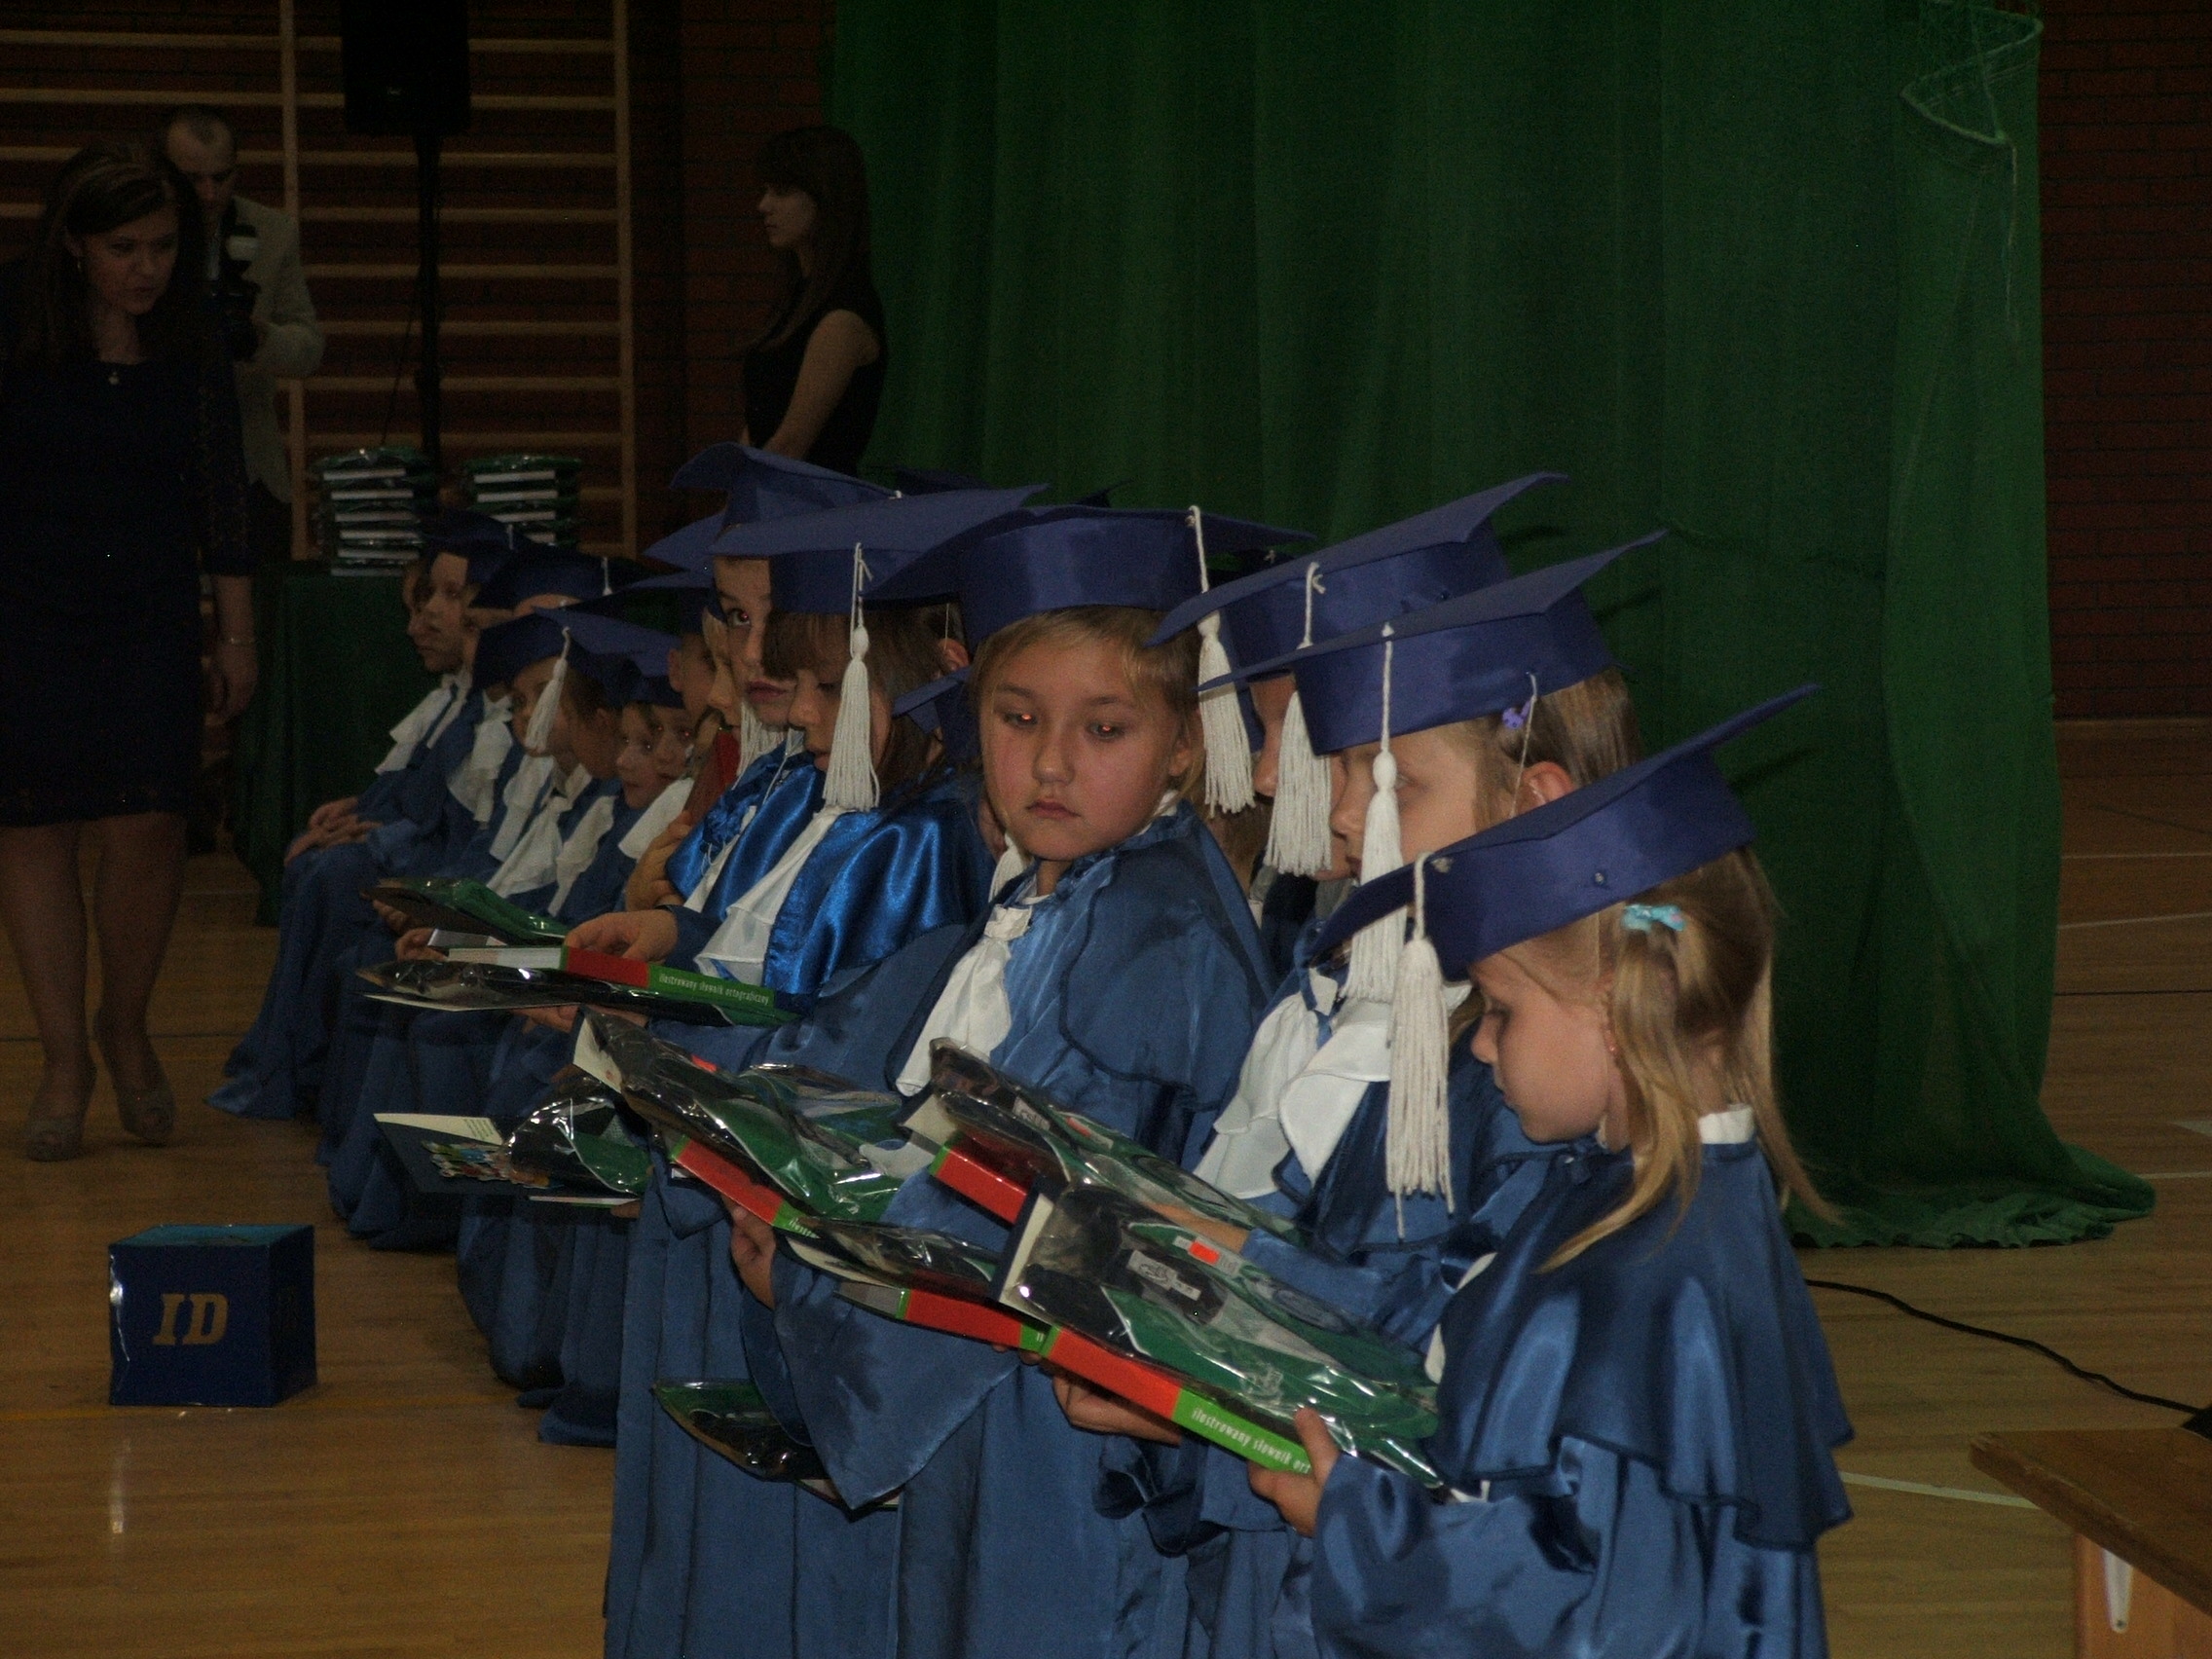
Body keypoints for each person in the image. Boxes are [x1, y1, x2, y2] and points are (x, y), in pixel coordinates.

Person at [1249, 690, 1850, 1658]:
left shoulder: (1656, 1280)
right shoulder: (1627, 1197)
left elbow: (1604, 1613)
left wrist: (1360, 1528)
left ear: (1617, 1010)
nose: (1482, 1047)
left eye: (1501, 1012)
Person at [0, 138, 256, 1161]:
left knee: (149, 824)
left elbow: (223, 489)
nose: (147, 268)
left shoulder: (191, 333)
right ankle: (64, 1058)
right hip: (24, 611)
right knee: (36, 832)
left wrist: (235, 632)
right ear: (73, 244)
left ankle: (126, 1022)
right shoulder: (13, 318)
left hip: (147, 610)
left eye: (162, 246)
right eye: (124, 248)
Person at [162, 105, 323, 564]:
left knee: (260, 601)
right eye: (192, 179)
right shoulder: (140, 231)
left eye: (222, 177)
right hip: (158, 461)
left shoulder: (273, 231)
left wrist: (258, 337)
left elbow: (309, 347)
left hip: (250, 464)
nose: (209, 194)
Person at [740, 127, 886, 471]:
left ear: (826, 199)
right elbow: (761, 424)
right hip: (775, 495)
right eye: (765, 191)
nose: (764, 206)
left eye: (782, 192)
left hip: (810, 501)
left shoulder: (842, 315)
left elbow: (789, 446)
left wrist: (744, 498)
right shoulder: (797, 301)